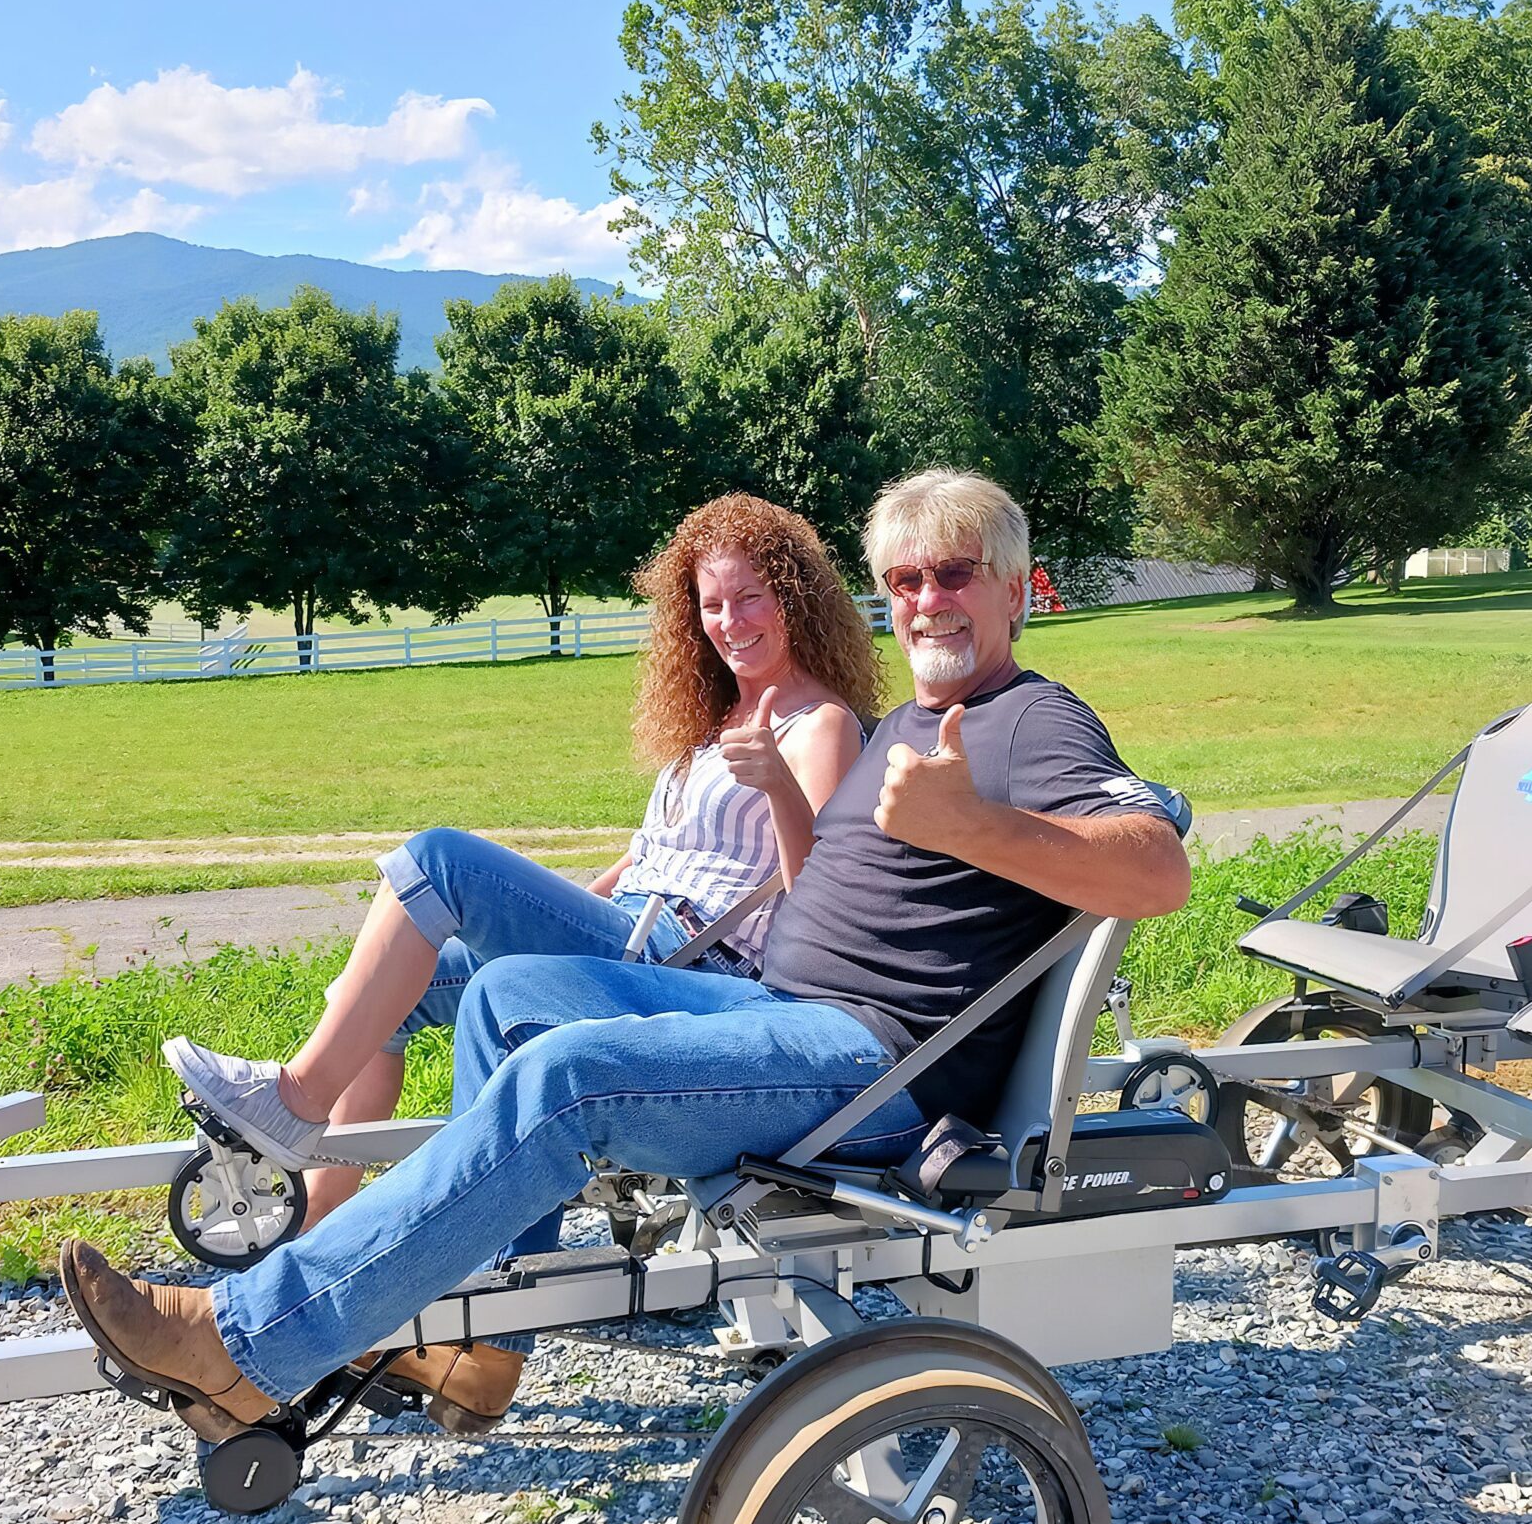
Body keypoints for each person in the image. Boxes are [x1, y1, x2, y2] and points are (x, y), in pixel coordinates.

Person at [61, 469, 1192, 1445]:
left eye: (953, 575)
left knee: (572, 1078)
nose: (926, 602)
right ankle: (487, 1334)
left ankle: (248, 1345)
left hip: (873, 1068)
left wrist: (981, 830)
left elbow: (1154, 868)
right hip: (780, 1012)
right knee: (504, 996)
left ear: (1010, 587)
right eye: (904, 582)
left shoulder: (1034, 720)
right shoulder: (909, 721)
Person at [163, 492, 880, 1424]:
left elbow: (820, 893)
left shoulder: (819, 725)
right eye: (710, 604)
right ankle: (336, 1234)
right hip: (625, 929)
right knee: (379, 990)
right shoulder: (717, 720)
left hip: (694, 968)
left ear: (795, 599)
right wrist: (549, 909)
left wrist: (779, 783)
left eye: (750, 598)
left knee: (437, 862)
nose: (729, 622)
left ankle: (292, 1106)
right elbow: (640, 862)